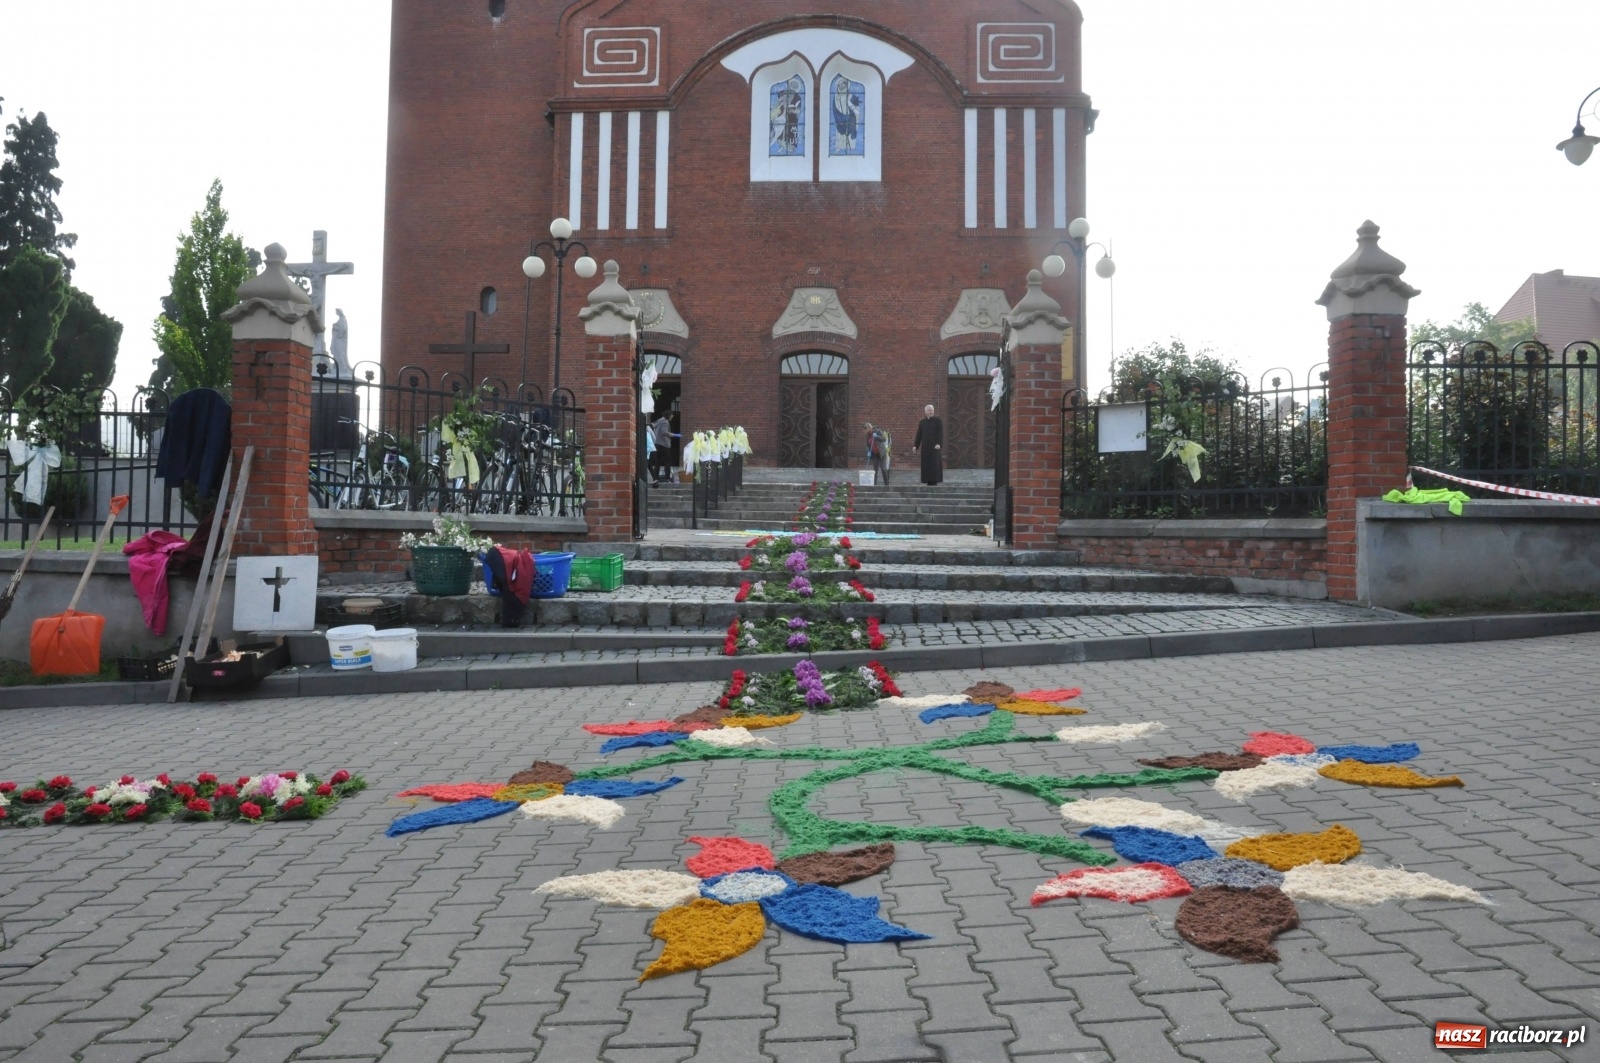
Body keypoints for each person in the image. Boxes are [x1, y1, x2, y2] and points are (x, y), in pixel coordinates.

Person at [913, 404, 944, 486]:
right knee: (926, 465)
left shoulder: (937, 421)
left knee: (934, 465)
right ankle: (928, 481)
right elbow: (919, 435)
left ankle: (934, 481)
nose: (931, 412)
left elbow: (940, 434)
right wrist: (915, 445)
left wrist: (939, 444)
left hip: (934, 448)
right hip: (926, 448)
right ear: (925, 411)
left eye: (932, 410)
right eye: (929, 410)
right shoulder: (922, 422)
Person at [650, 414, 676, 484]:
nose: (671, 418)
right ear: (668, 415)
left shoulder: (658, 421)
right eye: (671, 416)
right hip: (664, 445)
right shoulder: (665, 422)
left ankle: (656, 478)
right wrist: (672, 434)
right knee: (667, 462)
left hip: (657, 444)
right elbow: (664, 432)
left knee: (657, 462)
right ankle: (667, 478)